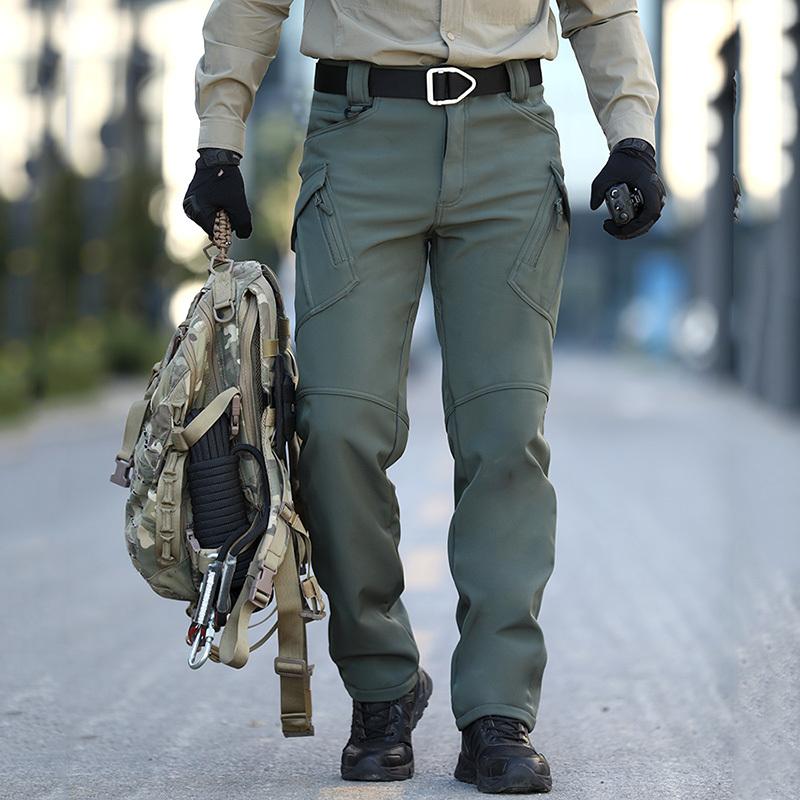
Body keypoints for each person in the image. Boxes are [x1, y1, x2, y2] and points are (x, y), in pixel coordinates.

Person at [183, 1, 665, 793]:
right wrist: (219, 141)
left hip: (510, 139)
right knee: (333, 426)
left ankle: (497, 711)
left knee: (506, 433)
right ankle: (382, 688)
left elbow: (600, 8)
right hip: (360, 137)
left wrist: (632, 136)